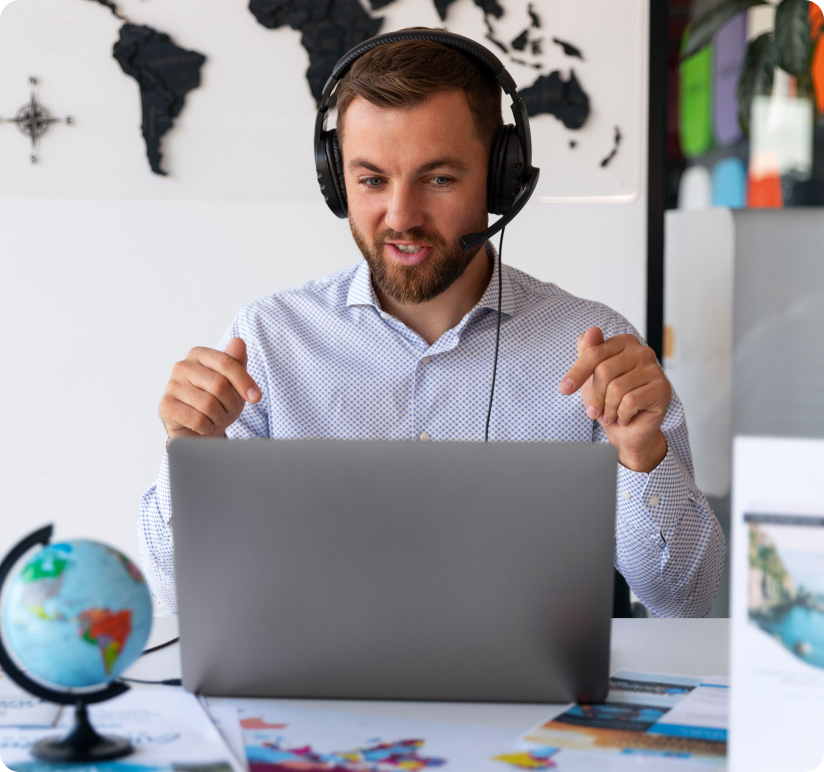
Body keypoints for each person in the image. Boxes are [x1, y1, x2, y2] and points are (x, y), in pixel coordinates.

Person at [138, 31, 724, 618]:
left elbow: (690, 602)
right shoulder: (268, 340)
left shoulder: (593, 346)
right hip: (317, 700)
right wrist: (193, 456)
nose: (400, 216)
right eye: (371, 180)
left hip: (529, 702)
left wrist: (642, 457)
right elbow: (176, 598)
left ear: (501, 180)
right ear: (338, 183)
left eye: (439, 179)